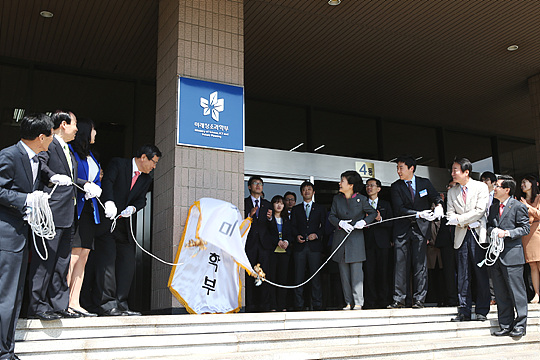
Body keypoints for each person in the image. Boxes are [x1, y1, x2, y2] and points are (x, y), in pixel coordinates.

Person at [0, 114, 53, 360]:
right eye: (51, 135)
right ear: (41, 137)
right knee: (6, 296)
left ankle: (7, 350)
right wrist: (25, 200)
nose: (53, 139)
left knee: (15, 296)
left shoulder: (36, 158)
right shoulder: (10, 155)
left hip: (22, 236)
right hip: (7, 237)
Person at [91, 144, 161, 316]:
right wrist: (109, 202)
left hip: (124, 225)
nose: (154, 166)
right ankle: (107, 305)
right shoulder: (119, 164)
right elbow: (107, 183)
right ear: (143, 157)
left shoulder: (146, 179)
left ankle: (121, 304)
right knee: (107, 263)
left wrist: (133, 209)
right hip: (107, 222)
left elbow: (141, 200)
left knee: (127, 263)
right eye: (154, 162)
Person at [28, 111, 84, 320]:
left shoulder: (68, 149)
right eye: (74, 124)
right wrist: (52, 177)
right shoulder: (49, 143)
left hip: (68, 213)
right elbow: (40, 165)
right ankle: (37, 305)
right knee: (46, 261)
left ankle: (58, 304)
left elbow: (70, 178)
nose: (77, 129)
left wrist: (85, 184)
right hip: (51, 213)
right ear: (63, 124)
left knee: (62, 261)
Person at [388, 155, 444, 309]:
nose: (398, 171)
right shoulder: (396, 187)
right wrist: (418, 214)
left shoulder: (424, 183)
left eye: (401, 167)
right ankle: (399, 298)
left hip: (420, 230)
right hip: (402, 229)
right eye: (397, 168)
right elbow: (399, 209)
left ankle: (420, 299)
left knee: (420, 265)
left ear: (411, 168)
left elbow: (435, 196)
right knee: (400, 265)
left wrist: (439, 205)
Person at [446, 158, 490, 322]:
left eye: (455, 170)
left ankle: (482, 311)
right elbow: (449, 214)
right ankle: (463, 311)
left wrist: (460, 219)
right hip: (461, 236)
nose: (452, 173)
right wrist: (463, 221)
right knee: (463, 276)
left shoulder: (481, 187)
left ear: (466, 172)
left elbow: (480, 210)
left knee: (480, 274)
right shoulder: (452, 192)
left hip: (478, 235)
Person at [67, 118, 102, 317]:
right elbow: (70, 176)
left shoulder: (92, 156)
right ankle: (63, 301)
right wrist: (85, 184)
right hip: (76, 208)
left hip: (90, 210)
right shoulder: (71, 152)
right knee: (73, 255)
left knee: (84, 255)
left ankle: (75, 301)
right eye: (94, 130)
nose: (95, 134)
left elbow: (95, 178)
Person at [488, 175, 529, 337]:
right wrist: (493, 231)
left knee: (516, 292)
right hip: (496, 256)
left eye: (497, 186)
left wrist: (507, 233)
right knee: (500, 292)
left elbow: (524, 228)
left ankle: (520, 324)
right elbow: (490, 226)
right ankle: (505, 324)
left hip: (512, 256)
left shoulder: (518, 206)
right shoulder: (493, 207)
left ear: (507, 189)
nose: (494, 188)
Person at [328, 171, 376, 310]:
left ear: (351, 185)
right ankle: (348, 302)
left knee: (356, 274)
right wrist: (340, 223)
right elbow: (331, 216)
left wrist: (364, 222)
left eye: (342, 181)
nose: (339, 183)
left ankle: (358, 302)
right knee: (344, 274)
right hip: (340, 240)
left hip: (356, 241)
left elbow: (372, 213)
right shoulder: (337, 199)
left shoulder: (361, 199)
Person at [291, 181, 326, 310]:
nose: (307, 191)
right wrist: (296, 236)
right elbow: (292, 226)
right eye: (304, 189)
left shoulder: (320, 208)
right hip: (299, 247)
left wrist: (317, 235)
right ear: (301, 192)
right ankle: (299, 304)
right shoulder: (296, 209)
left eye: (309, 189)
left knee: (315, 277)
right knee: (298, 277)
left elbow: (325, 227)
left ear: (313, 192)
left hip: (314, 248)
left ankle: (317, 304)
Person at [243, 176, 273, 312]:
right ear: (249, 187)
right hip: (250, 244)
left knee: (264, 275)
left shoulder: (267, 204)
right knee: (250, 275)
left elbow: (272, 227)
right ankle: (250, 305)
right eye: (255, 183)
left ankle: (264, 305)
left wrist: (270, 218)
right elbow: (240, 224)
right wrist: (249, 214)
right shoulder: (244, 202)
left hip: (264, 245)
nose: (258, 186)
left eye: (260, 184)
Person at [363, 177, 393, 309]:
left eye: (372, 185)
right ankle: (370, 301)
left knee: (383, 273)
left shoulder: (386, 204)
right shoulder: (362, 204)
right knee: (369, 273)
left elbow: (392, 222)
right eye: (367, 186)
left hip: (383, 243)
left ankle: (384, 301)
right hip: (367, 243)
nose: (369, 188)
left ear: (379, 189)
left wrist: (380, 219)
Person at [266, 195, 292, 311]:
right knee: (272, 278)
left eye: (281, 203)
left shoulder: (286, 219)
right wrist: (277, 241)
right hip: (272, 252)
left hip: (284, 253)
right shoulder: (269, 219)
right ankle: (273, 305)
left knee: (283, 279)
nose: (279, 205)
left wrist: (286, 241)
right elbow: (266, 234)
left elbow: (290, 234)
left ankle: (282, 305)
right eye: (276, 203)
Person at [518, 174, 540, 304]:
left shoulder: (538, 198)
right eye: (522, 183)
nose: (522, 185)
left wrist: (527, 206)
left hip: (537, 233)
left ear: (532, 183)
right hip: (526, 235)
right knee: (532, 265)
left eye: (525, 182)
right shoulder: (520, 200)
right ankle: (537, 293)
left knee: (539, 263)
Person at [481, 170, 498, 305]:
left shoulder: (498, 197)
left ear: (493, 183)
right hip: (483, 236)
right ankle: (492, 296)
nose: (484, 183)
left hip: (498, 236)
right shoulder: (480, 197)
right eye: (482, 180)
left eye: (486, 180)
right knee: (488, 266)